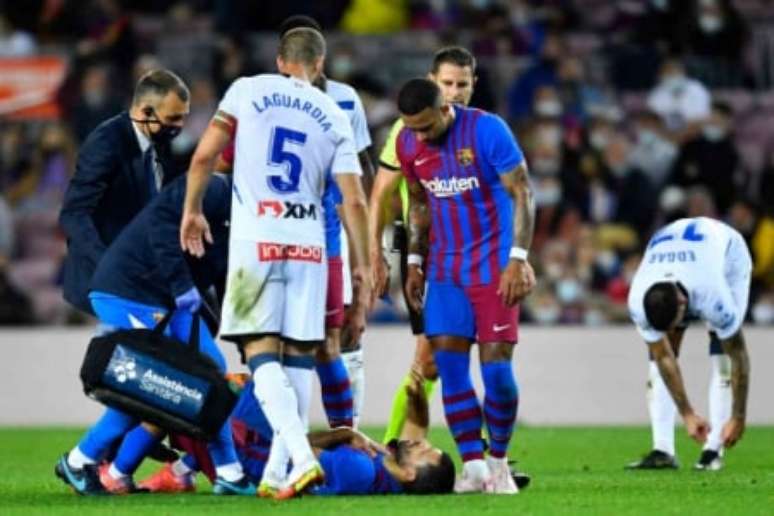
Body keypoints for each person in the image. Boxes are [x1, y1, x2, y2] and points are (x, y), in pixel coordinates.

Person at [179, 28, 371, 499]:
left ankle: (301, 458)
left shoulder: (248, 90)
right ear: (319, 64)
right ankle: (277, 474)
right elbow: (355, 199)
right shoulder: (333, 112)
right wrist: (363, 266)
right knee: (302, 356)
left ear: (281, 61)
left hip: (258, 242)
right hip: (311, 247)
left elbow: (204, 156)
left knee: (258, 351)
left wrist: (192, 210)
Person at [54, 173, 254, 495]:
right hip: (128, 290)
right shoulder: (210, 188)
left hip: (168, 298)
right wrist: (183, 287)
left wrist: (243, 334)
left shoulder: (252, 212)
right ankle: (80, 460)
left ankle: (229, 473)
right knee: (147, 386)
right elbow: (161, 224)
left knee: (213, 374)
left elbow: (226, 275)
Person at [397, 78, 535, 494]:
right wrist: (415, 261)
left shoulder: (487, 130)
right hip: (445, 271)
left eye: (425, 127)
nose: (418, 135)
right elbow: (419, 201)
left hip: (494, 268)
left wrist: (519, 259)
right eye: (411, 128)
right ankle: (473, 468)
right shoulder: (408, 144)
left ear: (445, 109)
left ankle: (499, 464)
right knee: (451, 371)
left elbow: (523, 192)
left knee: (497, 374)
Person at [369, 46, 477, 444]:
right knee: (429, 356)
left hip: (466, 252)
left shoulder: (476, 127)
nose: (454, 91)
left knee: (445, 355)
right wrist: (378, 255)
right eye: (447, 83)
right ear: (432, 83)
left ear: (473, 85)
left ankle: (407, 445)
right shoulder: (410, 127)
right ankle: (395, 447)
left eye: (461, 84)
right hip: (424, 250)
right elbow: (380, 193)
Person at [278, 15, 375, 429]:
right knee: (319, 345)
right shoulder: (274, 99)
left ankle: (339, 433)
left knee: (318, 343)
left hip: (308, 236)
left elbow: (363, 165)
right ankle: (320, 435)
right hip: (314, 236)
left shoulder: (344, 99)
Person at [140, 370, 456, 496]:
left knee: (166, 391)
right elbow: (417, 428)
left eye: (425, 451)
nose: (421, 442)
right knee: (253, 380)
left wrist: (343, 434)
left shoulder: (358, 469)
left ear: (410, 473)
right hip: (260, 446)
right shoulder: (384, 464)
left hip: (252, 456)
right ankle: (181, 470)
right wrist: (417, 397)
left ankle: (112, 467)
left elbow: (299, 448)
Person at [59, 69, 190, 316]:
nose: (179, 126)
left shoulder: (159, 142)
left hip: (147, 275)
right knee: (125, 347)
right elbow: (73, 213)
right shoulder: (107, 142)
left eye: (183, 118)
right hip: (109, 281)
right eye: (173, 118)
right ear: (145, 112)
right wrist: (108, 264)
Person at [626, 217, 751, 471]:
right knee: (660, 352)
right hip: (678, 249)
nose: (673, 331)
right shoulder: (638, 299)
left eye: (675, 324)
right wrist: (687, 413)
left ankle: (713, 451)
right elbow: (663, 357)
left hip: (729, 258)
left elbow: (739, 355)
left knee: (722, 355)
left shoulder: (712, 294)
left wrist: (738, 417)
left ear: (684, 305)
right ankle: (663, 450)